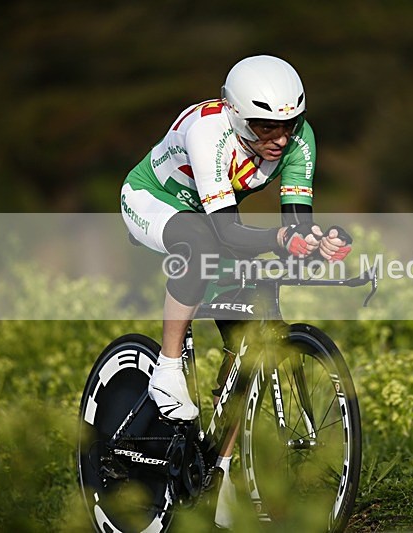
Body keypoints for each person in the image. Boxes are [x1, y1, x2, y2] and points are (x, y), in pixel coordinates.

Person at [119, 54, 351, 528]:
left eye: (289, 124)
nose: (280, 139)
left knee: (246, 339)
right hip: (153, 203)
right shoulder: (209, 132)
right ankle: (165, 368)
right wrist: (279, 241)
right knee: (201, 243)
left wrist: (316, 244)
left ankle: (221, 475)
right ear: (236, 113)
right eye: (265, 127)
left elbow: (294, 226)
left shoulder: (298, 142)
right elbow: (224, 232)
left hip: (209, 218)